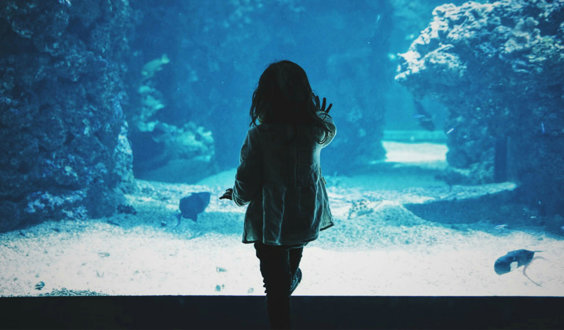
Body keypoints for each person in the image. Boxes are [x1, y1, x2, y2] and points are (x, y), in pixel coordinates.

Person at [220, 60, 336, 329]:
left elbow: (247, 181)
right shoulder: (315, 131)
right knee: (286, 273)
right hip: (303, 217)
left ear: (264, 97)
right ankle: (290, 279)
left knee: (274, 286)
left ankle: (286, 288)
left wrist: (236, 197)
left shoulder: (259, 135)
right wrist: (320, 115)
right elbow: (329, 130)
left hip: (269, 221)